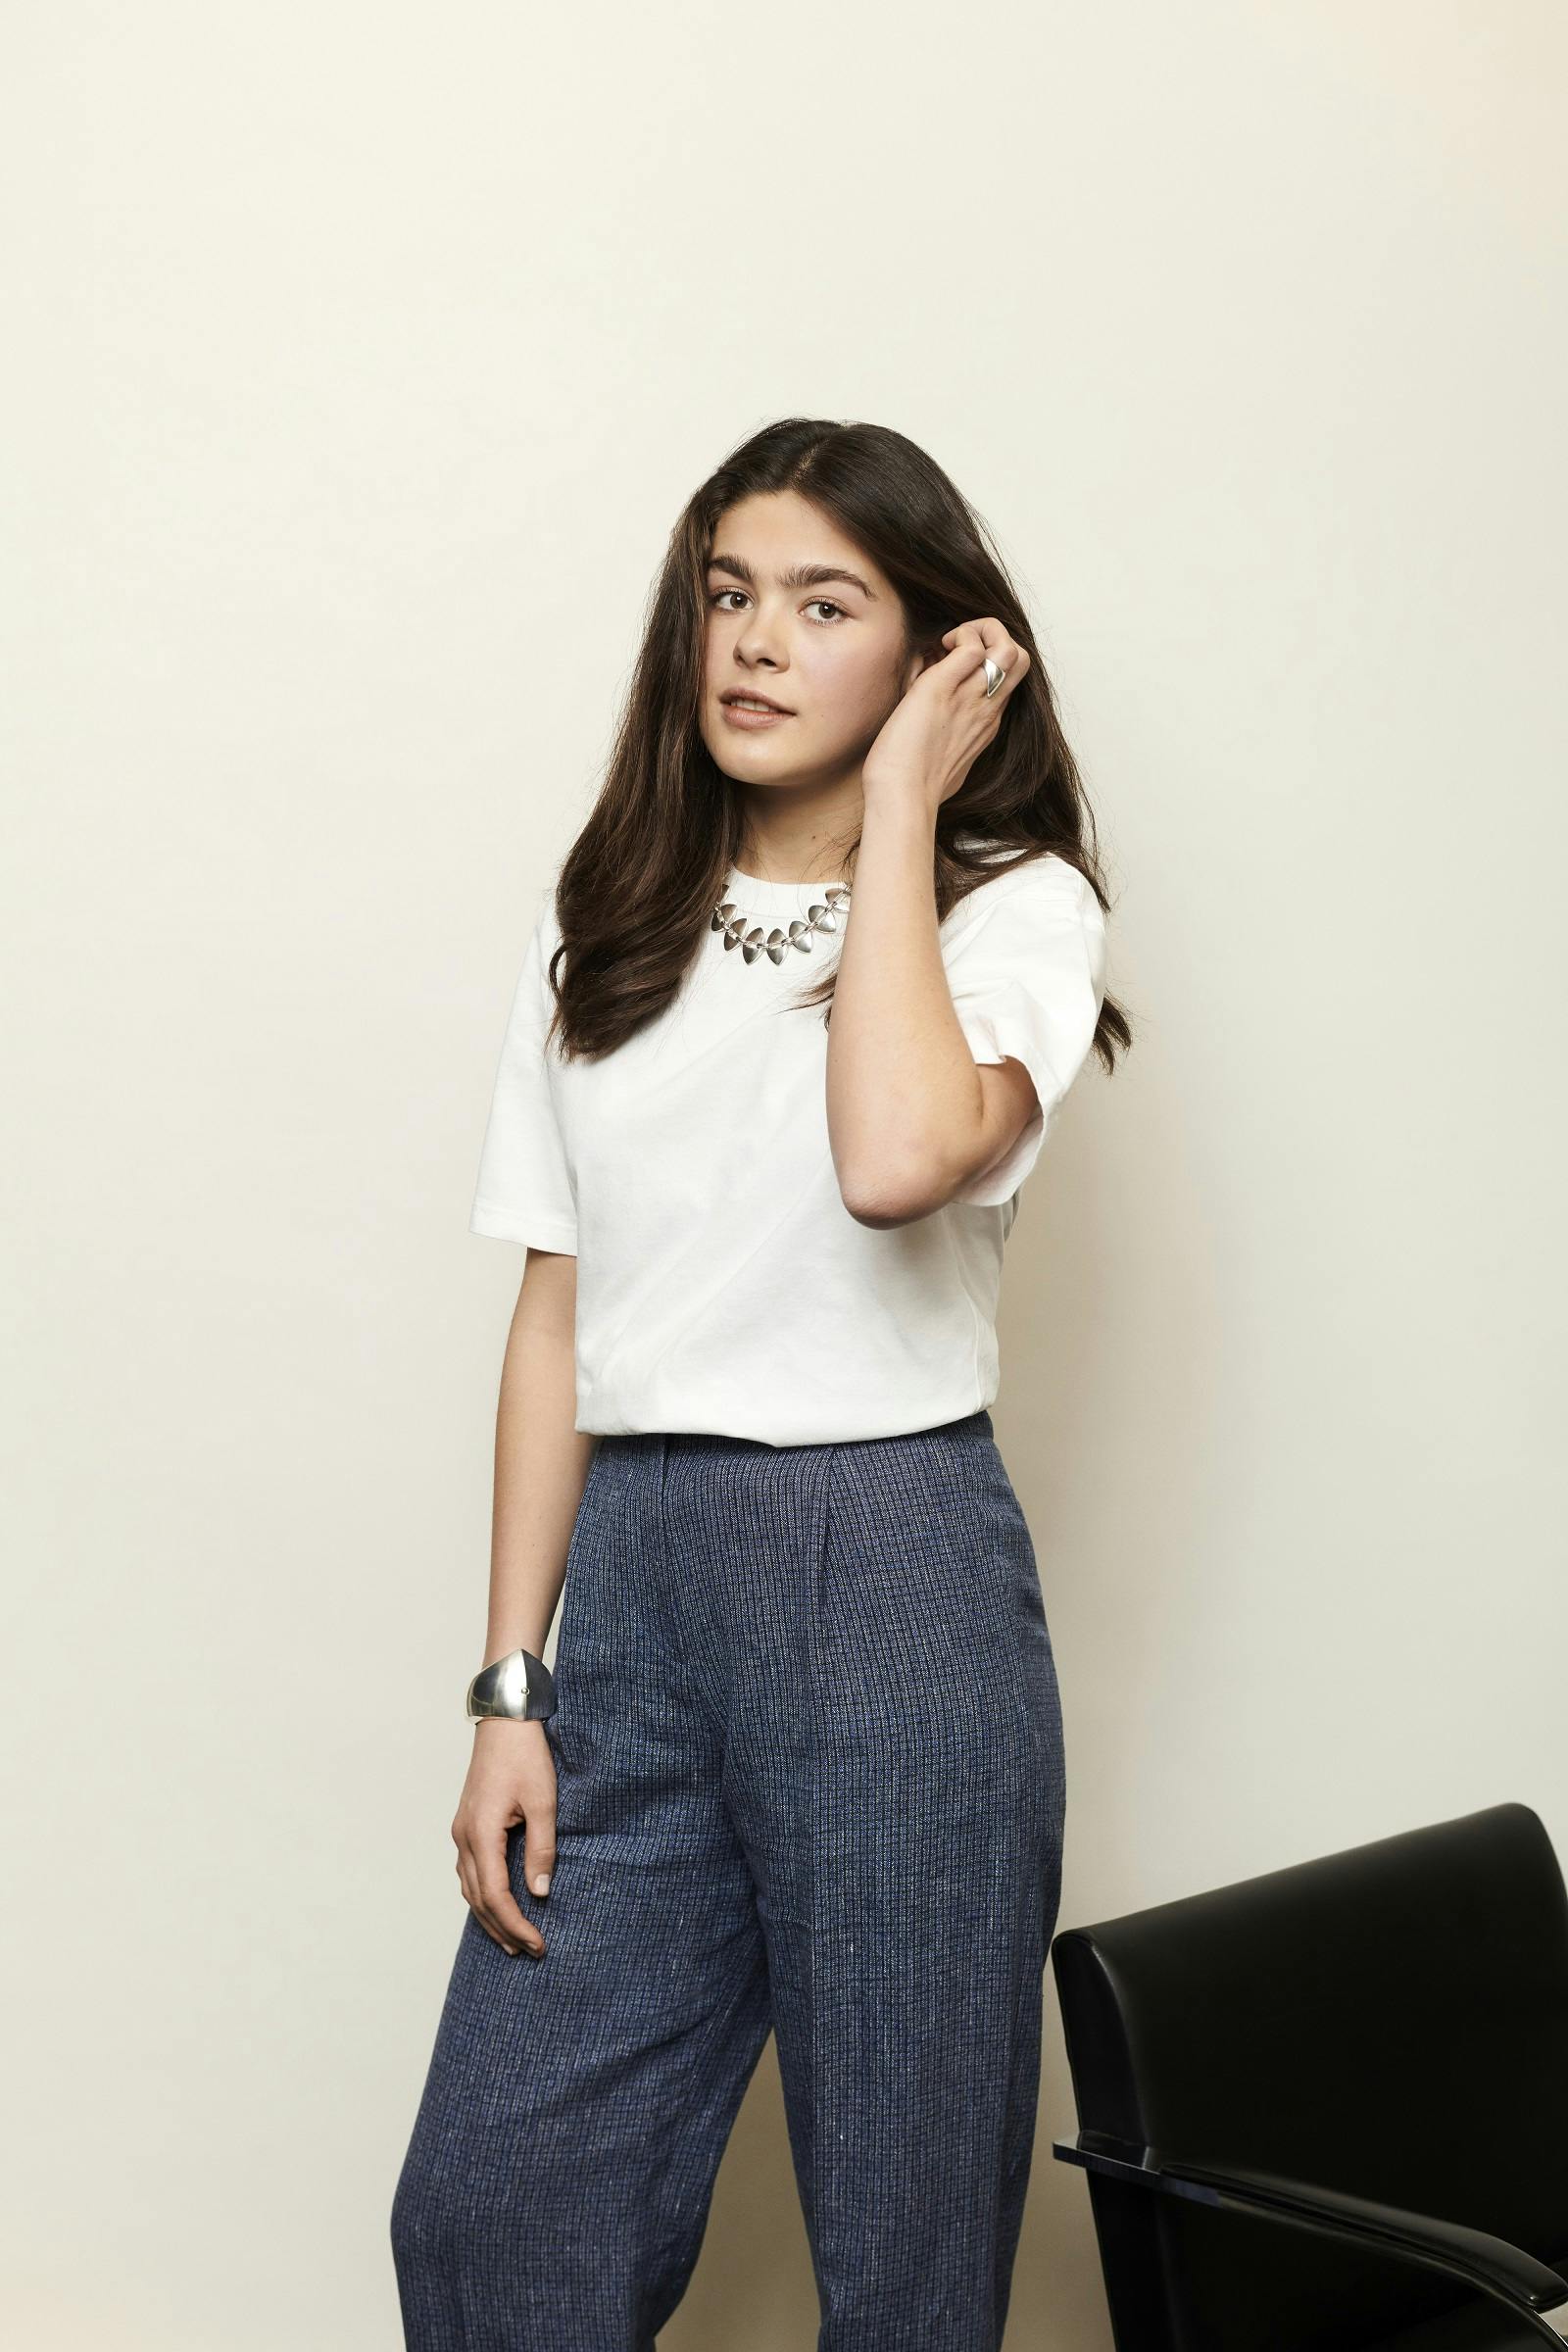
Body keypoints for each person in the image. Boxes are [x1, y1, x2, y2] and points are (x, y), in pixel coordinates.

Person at [390, 416, 1130, 2351]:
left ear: (937, 656)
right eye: (729, 596)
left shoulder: (1010, 911)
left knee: (900, 2250)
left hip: (886, 1573)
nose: (755, 642)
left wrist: (900, 813)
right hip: (633, 1594)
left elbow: (895, 1158)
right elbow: (555, 1313)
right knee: (491, 2211)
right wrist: (512, 1686)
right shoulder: (608, 924)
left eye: (823, 604)